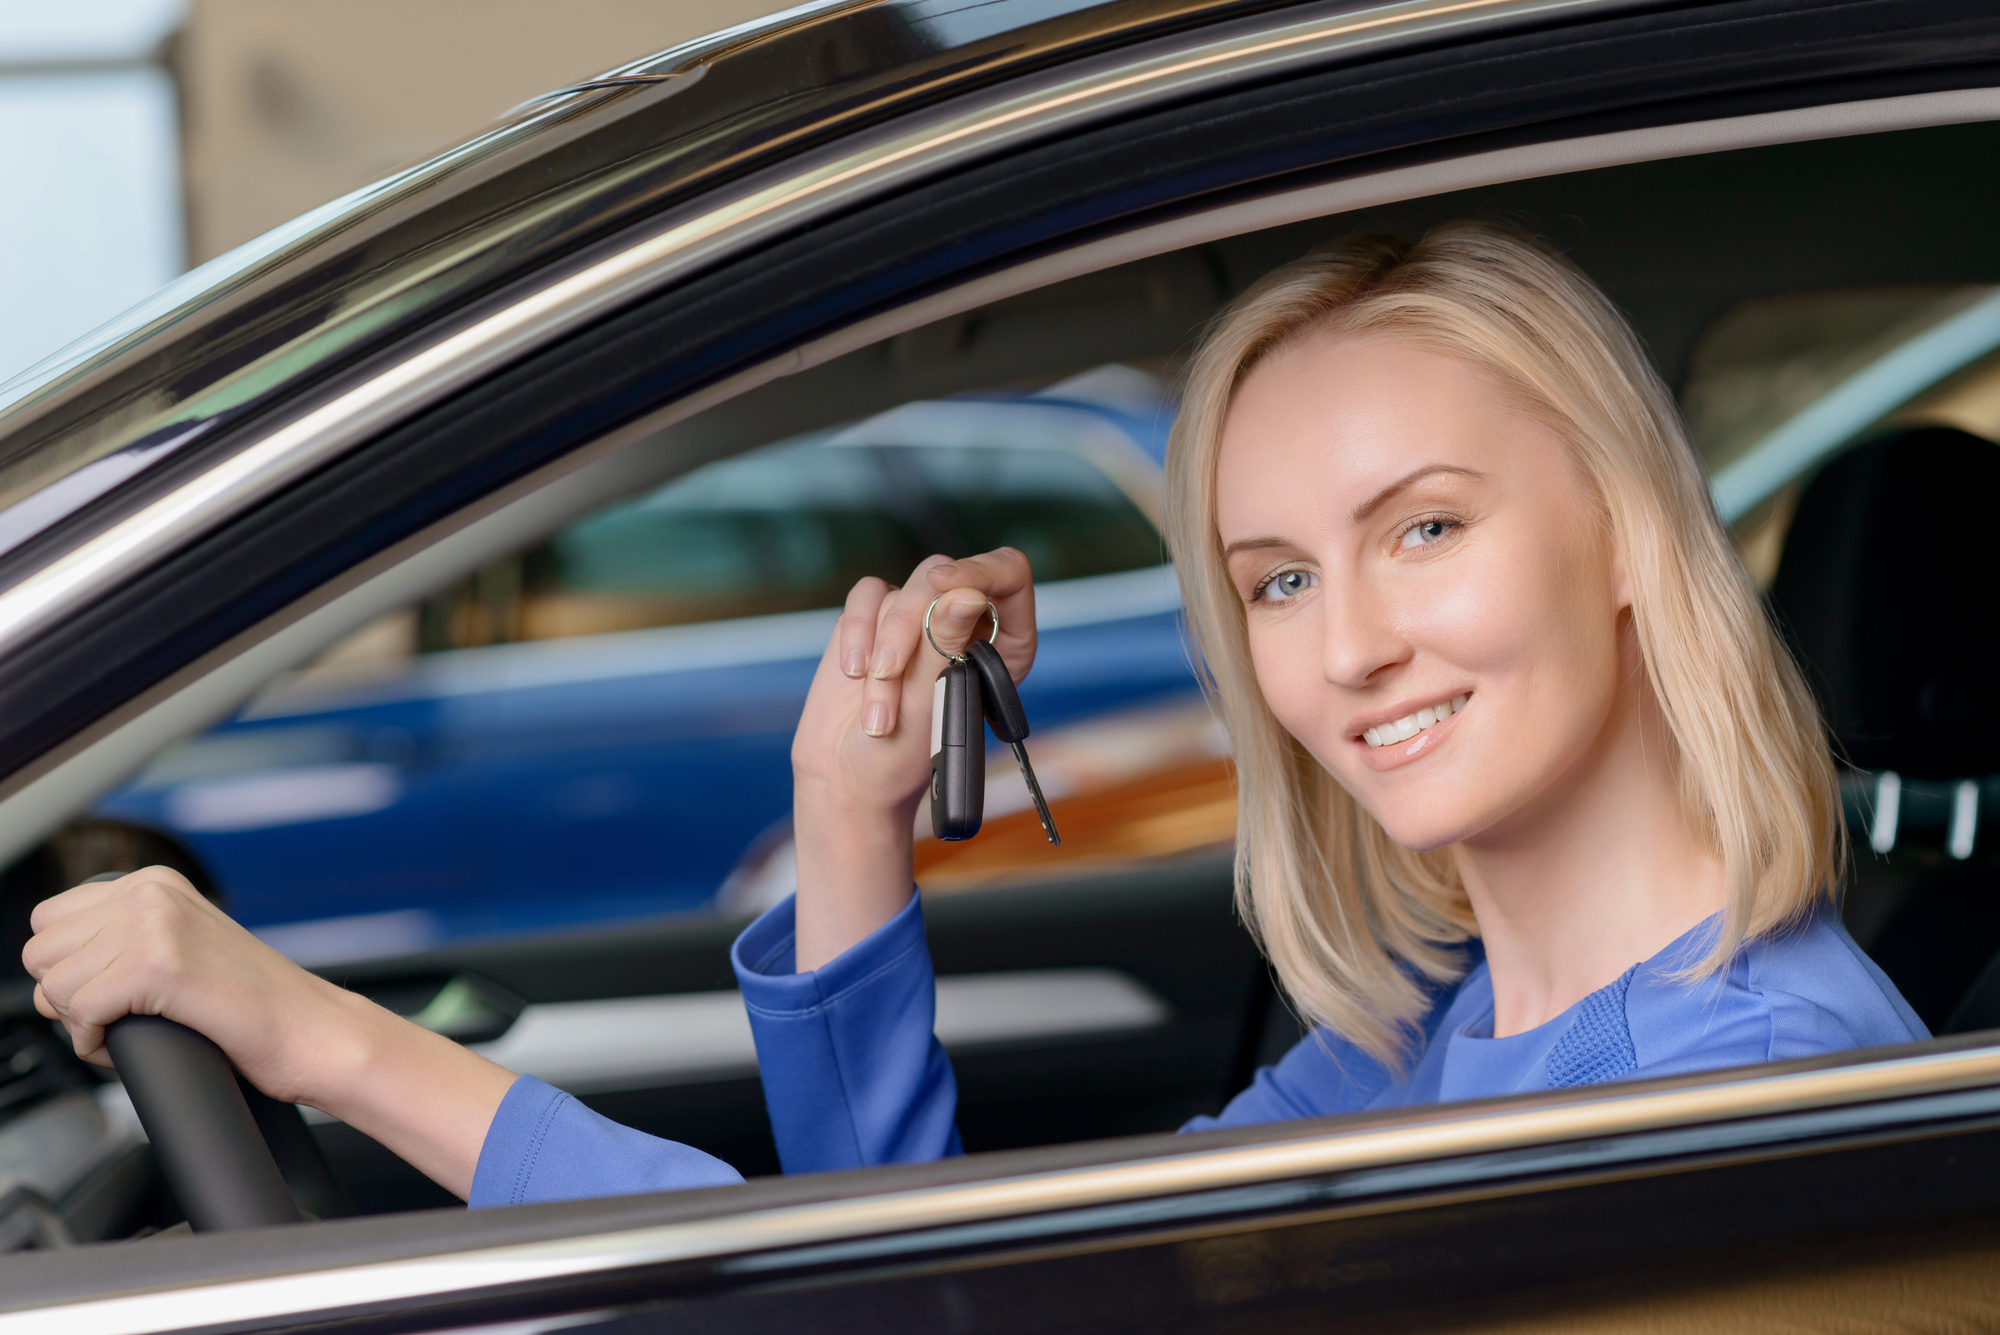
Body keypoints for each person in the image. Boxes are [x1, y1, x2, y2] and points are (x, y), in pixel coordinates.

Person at [19, 223, 1923, 1208]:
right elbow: (917, 1279)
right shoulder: (1437, 1034)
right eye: (1275, 577)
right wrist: (852, 826)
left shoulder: (1731, 1092)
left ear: (1623, 535)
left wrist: (310, 1037)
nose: (1347, 650)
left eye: (1423, 528)